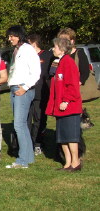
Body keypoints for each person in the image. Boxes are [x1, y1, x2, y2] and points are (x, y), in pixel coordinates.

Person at [5, 25, 41, 169]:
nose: (9, 39)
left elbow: (36, 72)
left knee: (19, 125)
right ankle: (28, 157)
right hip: (15, 88)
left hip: (23, 89)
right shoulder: (17, 50)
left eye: (11, 36)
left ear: (18, 35)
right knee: (22, 126)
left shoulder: (27, 50)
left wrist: (25, 87)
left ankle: (22, 160)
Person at [45, 38, 83, 172]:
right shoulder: (58, 62)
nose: (53, 49)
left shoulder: (68, 62)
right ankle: (67, 163)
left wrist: (66, 101)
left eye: (54, 47)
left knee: (71, 137)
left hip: (69, 107)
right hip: (59, 107)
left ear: (61, 49)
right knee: (62, 137)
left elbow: (72, 85)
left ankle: (76, 162)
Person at [27, 34, 53, 155]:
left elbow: (51, 73)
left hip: (41, 93)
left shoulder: (47, 55)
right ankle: (27, 144)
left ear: (34, 43)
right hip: (27, 91)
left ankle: (38, 143)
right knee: (27, 119)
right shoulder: (27, 56)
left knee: (39, 120)